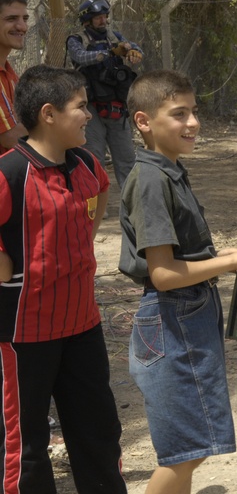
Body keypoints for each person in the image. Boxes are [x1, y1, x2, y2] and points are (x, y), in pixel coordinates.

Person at [119, 69, 237, 494]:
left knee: (195, 443)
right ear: (144, 122)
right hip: (173, 320)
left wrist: (231, 261)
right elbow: (164, 274)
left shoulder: (169, 170)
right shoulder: (151, 180)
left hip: (188, 314)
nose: (193, 123)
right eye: (179, 113)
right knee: (188, 448)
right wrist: (230, 260)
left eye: (195, 112)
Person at [0, 64, 127, 493]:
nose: (89, 115)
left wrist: (79, 244)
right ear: (49, 114)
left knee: (99, 433)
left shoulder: (88, 163)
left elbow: (102, 190)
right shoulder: (9, 173)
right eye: (80, 106)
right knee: (25, 447)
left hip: (83, 326)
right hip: (23, 335)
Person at [66, 0, 143, 188]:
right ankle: (95, 204)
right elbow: (81, 57)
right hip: (90, 110)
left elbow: (132, 47)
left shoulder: (114, 37)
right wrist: (109, 53)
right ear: (87, 20)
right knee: (93, 159)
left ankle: (133, 206)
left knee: (126, 159)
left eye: (105, 16)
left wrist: (133, 50)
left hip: (117, 107)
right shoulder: (77, 39)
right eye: (98, 17)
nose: (103, 20)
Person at [0, 0, 30, 153]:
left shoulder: (10, 74)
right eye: (11, 19)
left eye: (24, 19)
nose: (22, 27)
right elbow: (11, 137)